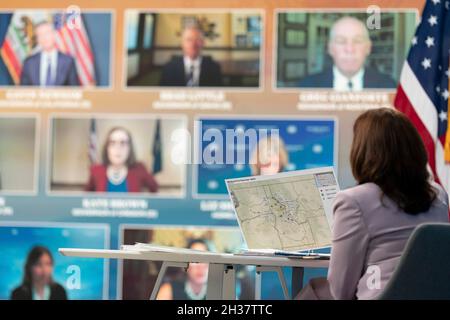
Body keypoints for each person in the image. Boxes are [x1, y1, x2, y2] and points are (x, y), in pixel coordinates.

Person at [296, 108, 449, 300]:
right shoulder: (439, 195)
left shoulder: (353, 201)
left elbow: (339, 291)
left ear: (364, 152)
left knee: (313, 291)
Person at [298, 16, 396, 90]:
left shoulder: (389, 86)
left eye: (357, 41)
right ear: (330, 48)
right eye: (341, 41)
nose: (349, 49)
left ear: (368, 48)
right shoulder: (306, 86)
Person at [85, 127, 159, 193]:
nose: (118, 148)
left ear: (130, 148)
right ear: (107, 148)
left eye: (123, 143)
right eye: (112, 143)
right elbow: (85, 199)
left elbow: (155, 189)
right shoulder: (96, 170)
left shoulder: (139, 169)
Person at [20, 21, 80, 86]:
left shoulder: (68, 61)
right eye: (40, 35)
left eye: (47, 33)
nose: (44, 38)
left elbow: (75, 91)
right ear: (37, 39)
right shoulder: (29, 63)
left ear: (54, 34)